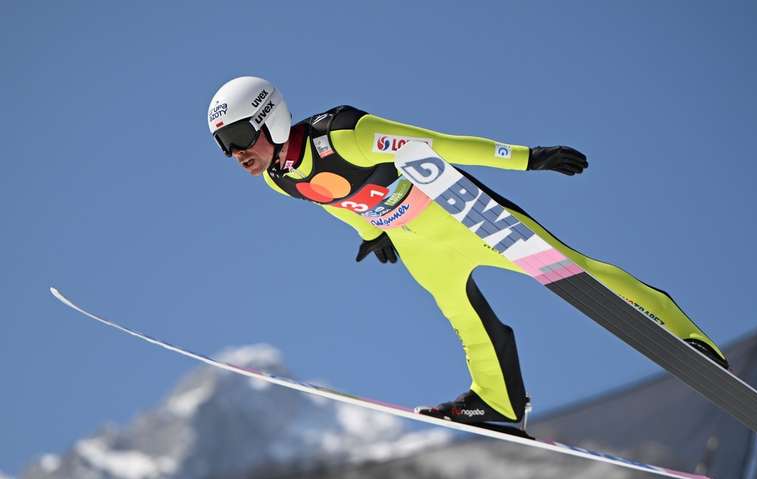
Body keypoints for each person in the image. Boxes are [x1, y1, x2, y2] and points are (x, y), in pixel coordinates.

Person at [207, 76, 728, 431]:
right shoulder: (278, 181)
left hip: (462, 216)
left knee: (573, 271)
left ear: (269, 118)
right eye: (222, 145)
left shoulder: (345, 133)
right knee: (463, 315)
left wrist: (527, 159)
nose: (235, 154)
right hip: (417, 241)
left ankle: (685, 336)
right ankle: (499, 401)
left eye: (237, 136)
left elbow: (437, 145)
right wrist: (371, 233)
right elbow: (331, 200)